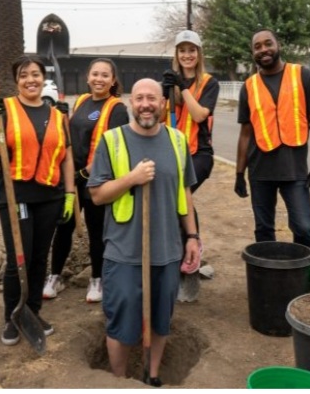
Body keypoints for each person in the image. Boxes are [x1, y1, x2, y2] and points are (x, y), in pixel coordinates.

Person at [88, 78, 200, 387]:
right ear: (130, 103)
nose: (145, 104)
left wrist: (192, 237)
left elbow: (185, 193)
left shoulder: (177, 141)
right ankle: (120, 381)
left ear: (163, 103)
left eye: (152, 98)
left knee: (161, 321)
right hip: (124, 252)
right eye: (139, 98)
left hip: (166, 250)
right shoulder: (112, 141)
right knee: (122, 324)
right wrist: (132, 178)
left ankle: (152, 376)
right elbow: (97, 195)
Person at [0, 56, 75, 346]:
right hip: (16, 195)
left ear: (43, 78)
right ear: (17, 80)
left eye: (35, 74)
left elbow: (67, 157)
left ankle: (32, 312)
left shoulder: (58, 115)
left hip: (49, 195)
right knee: (18, 260)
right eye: (24, 75)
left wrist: (70, 193)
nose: (30, 80)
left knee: (38, 259)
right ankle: (13, 316)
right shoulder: (6, 109)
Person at [43, 58, 129, 303]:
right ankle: (55, 276)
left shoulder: (117, 109)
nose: (99, 79)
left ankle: (97, 280)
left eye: (105, 75)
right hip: (73, 177)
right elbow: (70, 138)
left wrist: (86, 173)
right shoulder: (81, 100)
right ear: (88, 77)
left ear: (113, 81)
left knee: (96, 229)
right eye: (95, 74)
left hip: (98, 179)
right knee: (64, 225)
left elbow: (112, 148)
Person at [234, 28, 310, 251]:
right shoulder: (249, 87)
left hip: (293, 170)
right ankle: (269, 280)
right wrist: (239, 174)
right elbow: (246, 134)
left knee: (303, 227)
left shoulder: (303, 76)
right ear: (252, 52)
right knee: (264, 230)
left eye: (268, 44)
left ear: (278, 45)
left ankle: (303, 278)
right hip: (260, 171)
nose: (263, 50)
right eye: (257, 47)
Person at [161, 30, 219, 302]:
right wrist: (165, 94)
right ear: (176, 54)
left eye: (192, 50)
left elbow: (198, 114)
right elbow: (160, 117)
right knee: (178, 201)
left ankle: (192, 249)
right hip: (173, 152)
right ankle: (188, 248)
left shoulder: (209, 83)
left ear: (199, 54)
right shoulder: (170, 83)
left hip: (199, 155)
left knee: (178, 197)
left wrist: (183, 87)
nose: (187, 55)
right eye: (182, 50)